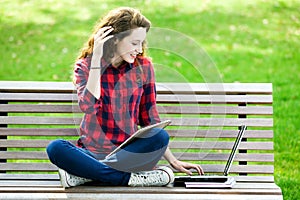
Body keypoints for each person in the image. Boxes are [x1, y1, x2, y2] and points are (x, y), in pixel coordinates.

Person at [46, 7, 204, 188]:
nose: (139, 49)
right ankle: (128, 179)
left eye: (141, 43)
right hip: (92, 153)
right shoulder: (86, 66)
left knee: (159, 136)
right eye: (134, 43)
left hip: (130, 155)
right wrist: (97, 58)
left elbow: (150, 119)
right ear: (114, 40)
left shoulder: (143, 67)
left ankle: (88, 175)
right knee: (56, 148)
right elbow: (88, 106)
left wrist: (173, 161)